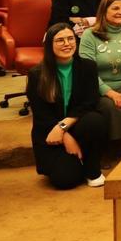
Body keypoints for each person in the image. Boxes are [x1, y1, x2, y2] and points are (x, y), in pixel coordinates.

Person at [28, 24, 107, 189]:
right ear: (49, 45)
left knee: (95, 120)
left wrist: (63, 127)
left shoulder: (87, 67)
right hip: (49, 131)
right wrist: (65, 136)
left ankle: (92, 170)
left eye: (70, 38)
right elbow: (41, 115)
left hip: (77, 126)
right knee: (65, 180)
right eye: (60, 40)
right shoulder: (37, 74)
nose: (67, 44)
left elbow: (89, 102)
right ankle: (76, 162)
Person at [79, 0, 121, 143]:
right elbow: (87, 71)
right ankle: (117, 145)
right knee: (112, 106)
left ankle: (116, 145)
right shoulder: (90, 35)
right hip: (99, 91)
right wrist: (110, 93)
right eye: (115, 8)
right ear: (104, 10)